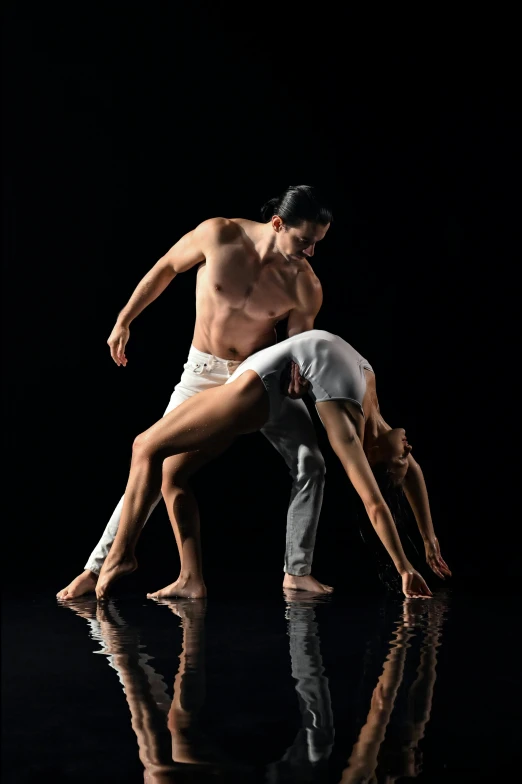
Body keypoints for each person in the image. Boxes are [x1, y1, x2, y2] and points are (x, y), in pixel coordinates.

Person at [57, 185, 334, 602]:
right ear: (277, 224)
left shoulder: (305, 284)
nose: (311, 252)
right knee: (152, 461)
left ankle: (297, 572)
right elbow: (167, 266)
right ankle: (95, 568)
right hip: (202, 372)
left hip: (259, 377)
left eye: (316, 244)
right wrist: (124, 319)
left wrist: (297, 377)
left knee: (311, 463)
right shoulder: (219, 235)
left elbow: (297, 343)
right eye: (304, 241)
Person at [94, 330, 451, 601]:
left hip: (254, 391)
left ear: (373, 456)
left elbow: (375, 505)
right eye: (407, 455)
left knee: (145, 446)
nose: (408, 450)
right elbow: (413, 475)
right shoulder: (378, 418)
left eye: (400, 460)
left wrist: (404, 567)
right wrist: (429, 539)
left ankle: (122, 554)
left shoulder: (346, 429)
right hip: (255, 374)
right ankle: (191, 580)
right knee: (171, 473)